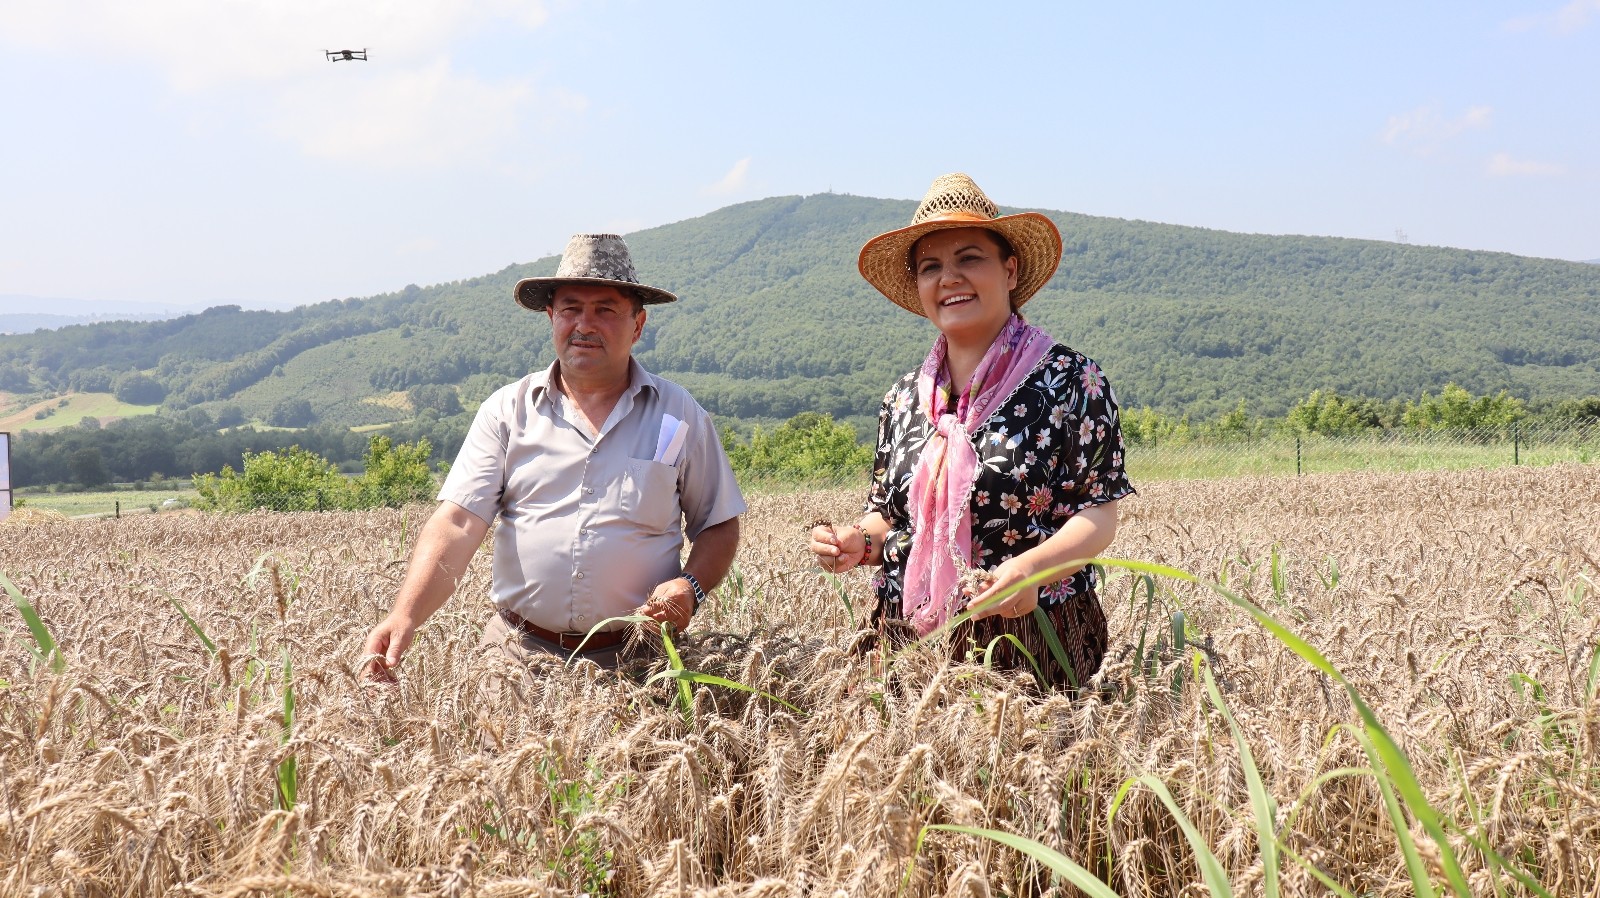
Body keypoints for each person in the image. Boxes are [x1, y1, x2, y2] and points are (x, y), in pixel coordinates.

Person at [364, 233, 745, 679]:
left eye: (605, 309)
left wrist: (691, 586)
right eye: (571, 309)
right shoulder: (508, 412)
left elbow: (718, 523)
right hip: (517, 657)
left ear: (637, 325)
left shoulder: (680, 417)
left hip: (641, 662)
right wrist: (404, 615)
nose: (585, 324)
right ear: (551, 317)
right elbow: (458, 522)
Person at [809, 173, 1134, 689]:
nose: (949, 278)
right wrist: (856, 542)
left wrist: (1031, 571)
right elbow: (888, 516)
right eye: (931, 267)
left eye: (969, 259)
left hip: (1031, 637)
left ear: (1010, 270)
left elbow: (1098, 515)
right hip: (906, 641)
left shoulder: (1073, 381)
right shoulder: (902, 400)